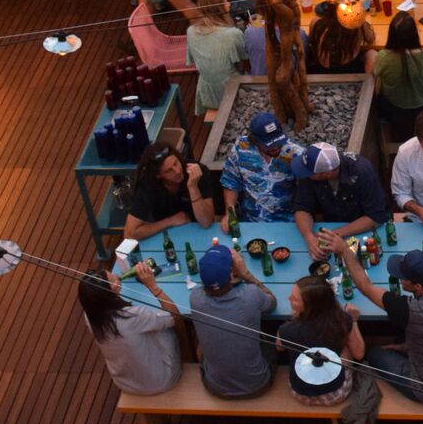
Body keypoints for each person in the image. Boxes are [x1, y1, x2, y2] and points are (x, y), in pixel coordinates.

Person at [335, 246, 423, 404]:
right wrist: (405, 346)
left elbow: (365, 287)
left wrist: (345, 250)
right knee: (402, 339)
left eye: (403, 277)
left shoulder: (409, 309)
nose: (400, 280)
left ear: (418, 287)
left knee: (374, 353)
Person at [78, 260, 183, 395]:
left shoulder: (90, 315)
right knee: (170, 328)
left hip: (125, 382)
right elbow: (174, 316)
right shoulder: (132, 316)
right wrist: (153, 287)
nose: (117, 277)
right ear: (107, 293)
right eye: (112, 280)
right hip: (161, 381)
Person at [189, 244, 277, 399]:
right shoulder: (250, 295)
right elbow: (272, 302)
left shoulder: (195, 298)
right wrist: (245, 273)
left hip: (215, 388)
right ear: (231, 274)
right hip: (257, 386)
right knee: (270, 338)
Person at [292, 142, 389, 259]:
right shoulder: (310, 172)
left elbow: (376, 216)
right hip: (331, 228)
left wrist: (333, 235)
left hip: (365, 232)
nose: (305, 174)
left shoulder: (362, 171)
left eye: (309, 173)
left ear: (327, 174)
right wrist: (309, 238)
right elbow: (302, 207)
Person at [276, 276, 365, 405]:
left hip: (300, 394)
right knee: (345, 348)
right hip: (335, 394)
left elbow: (279, 347)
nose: (288, 298)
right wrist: (354, 320)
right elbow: (359, 354)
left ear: (309, 307)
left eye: (294, 298)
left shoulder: (288, 329)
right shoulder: (342, 321)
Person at [371, 12, 423, 139]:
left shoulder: (383, 57)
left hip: (394, 112)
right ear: (415, 33)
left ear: (391, 35)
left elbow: (378, 88)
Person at [123, 141, 217, 239]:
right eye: (169, 170)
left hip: (199, 229)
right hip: (167, 233)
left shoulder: (197, 171)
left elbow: (206, 222)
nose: (177, 171)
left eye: (176, 163)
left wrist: (193, 187)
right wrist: (170, 221)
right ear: (158, 175)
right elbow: (130, 234)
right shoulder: (148, 185)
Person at [220, 112, 301, 225]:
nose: (276, 147)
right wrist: (230, 212)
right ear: (254, 140)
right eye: (269, 144)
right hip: (250, 220)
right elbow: (230, 181)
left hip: (288, 222)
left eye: (278, 141)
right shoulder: (241, 148)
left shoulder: (296, 153)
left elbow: (306, 194)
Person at [185, 0, 246, 115]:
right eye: (225, 2)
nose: (228, 5)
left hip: (207, 92)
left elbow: (195, 61)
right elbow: (243, 63)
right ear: (219, 8)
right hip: (231, 91)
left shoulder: (190, 31)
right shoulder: (233, 34)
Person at [262, 0, 312, 131]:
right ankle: (288, 115)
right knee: (282, 77)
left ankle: (299, 114)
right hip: (286, 72)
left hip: (290, 71)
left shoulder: (249, 31)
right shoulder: (298, 33)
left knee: (286, 76)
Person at [307, 0, 374, 75]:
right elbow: (371, 39)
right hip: (350, 73)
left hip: (321, 71)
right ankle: (369, 81)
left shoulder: (315, 22)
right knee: (371, 53)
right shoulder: (356, 24)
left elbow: (310, 41)